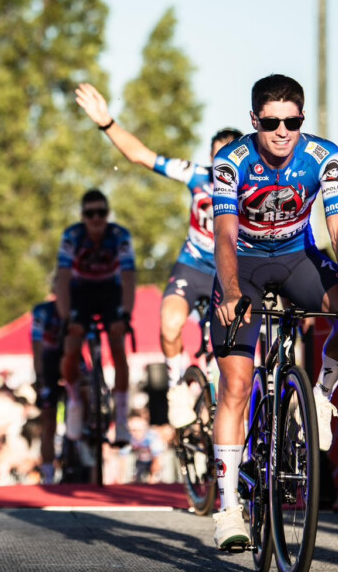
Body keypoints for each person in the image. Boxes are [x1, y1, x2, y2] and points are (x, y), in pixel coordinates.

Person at [208, 74, 338, 550]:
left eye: (292, 121)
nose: (282, 131)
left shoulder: (324, 155)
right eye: (271, 121)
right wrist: (230, 292)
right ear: (254, 120)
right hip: (242, 263)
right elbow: (223, 235)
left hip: (298, 257)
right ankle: (226, 508)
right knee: (237, 385)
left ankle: (318, 398)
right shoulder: (231, 161)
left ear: (302, 119)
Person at [76, 81, 242, 428]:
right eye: (216, 156)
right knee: (168, 325)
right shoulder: (197, 177)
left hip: (232, 275)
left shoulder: (257, 186)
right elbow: (141, 156)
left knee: (228, 361)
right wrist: (106, 122)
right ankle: (175, 387)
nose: (222, 163)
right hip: (194, 265)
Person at [54, 189, 136, 445]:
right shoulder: (72, 236)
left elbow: (129, 277)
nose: (96, 218)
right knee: (71, 346)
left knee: (118, 348)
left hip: (110, 291)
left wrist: (125, 315)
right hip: (80, 291)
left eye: (101, 212)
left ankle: (121, 420)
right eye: (90, 214)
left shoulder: (120, 235)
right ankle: (76, 401)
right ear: (83, 216)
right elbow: (63, 279)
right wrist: (67, 318)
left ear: (107, 214)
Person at [30, 294, 65, 483]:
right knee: (48, 420)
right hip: (48, 363)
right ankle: (48, 470)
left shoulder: (78, 305)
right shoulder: (43, 311)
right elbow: (36, 345)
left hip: (71, 359)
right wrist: (40, 376)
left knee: (85, 390)